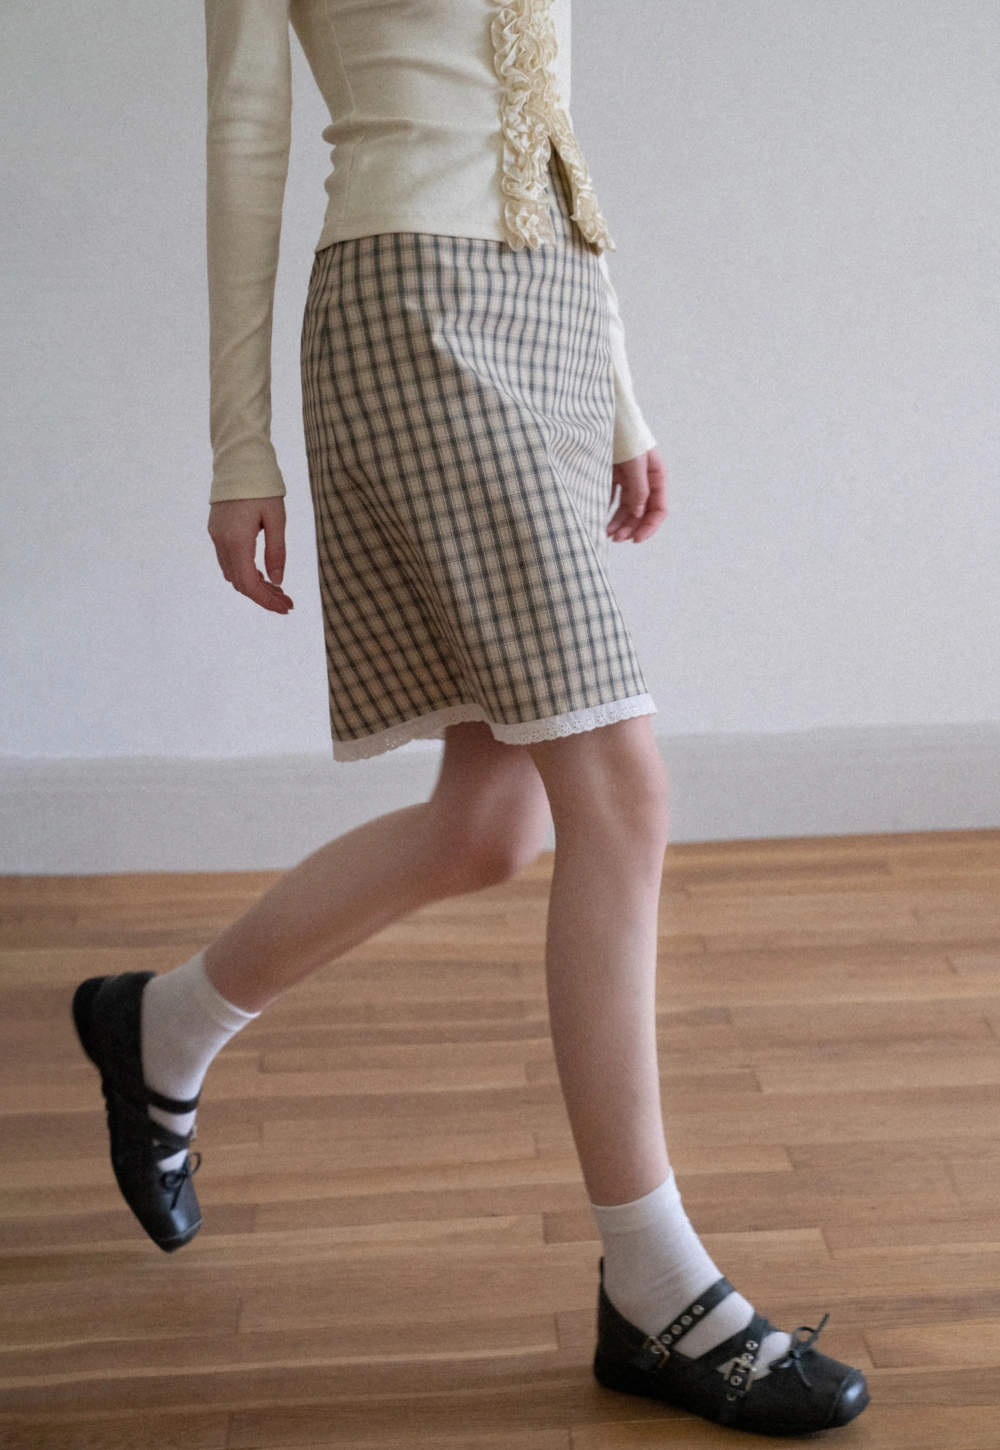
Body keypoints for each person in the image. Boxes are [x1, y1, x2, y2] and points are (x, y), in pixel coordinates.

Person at [72, 0, 868, 1435]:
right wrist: (240, 445)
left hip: (552, 305)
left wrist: (618, 395)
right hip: (412, 310)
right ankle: (656, 1285)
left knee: (488, 824)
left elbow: (547, 112)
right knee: (623, 790)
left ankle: (162, 1023)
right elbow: (247, 131)